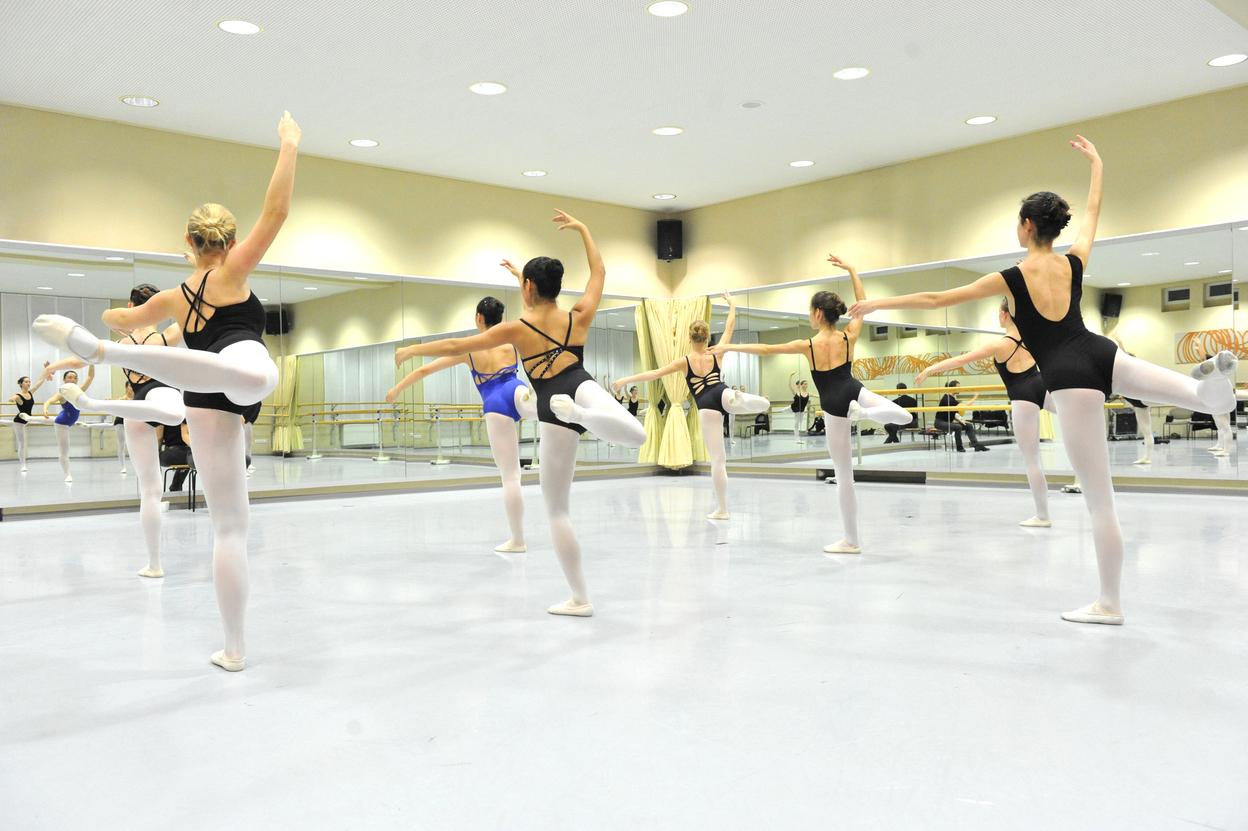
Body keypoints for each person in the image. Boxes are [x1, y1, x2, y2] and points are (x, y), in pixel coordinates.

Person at [849, 135, 1237, 625]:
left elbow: (936, 300)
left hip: (1070, 378)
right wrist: (1097, 165)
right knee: (1195, 396)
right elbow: (1092, 215)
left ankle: (1109, 604)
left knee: (1101, 502)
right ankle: (1210, 386)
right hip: (1102, 352)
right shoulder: (1073, 262)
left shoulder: (1011, 277)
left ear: (1028, 226)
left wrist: (877, 303)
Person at [33, 110, 301, 668]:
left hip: (203, 400)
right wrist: (289, 144)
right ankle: (109, 356)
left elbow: (118, 317)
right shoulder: (233, 273)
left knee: (229, 530)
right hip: (235, 372)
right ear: (230, 242)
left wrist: (135, 314)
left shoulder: (175, 297)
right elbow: (276, 212)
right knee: (257, 373)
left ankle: (234, 649)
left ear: (189, 242)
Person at [393, 210, 646, 617]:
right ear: (556, 286)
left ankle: (580, 599)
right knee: (638, 435)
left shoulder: (515, 329)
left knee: (558, 511)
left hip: (550, 404)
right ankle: (583, 416)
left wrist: (412, 349)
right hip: (580, 384)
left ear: (528, 287)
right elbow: (599, 271)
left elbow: (457, 346)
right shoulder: (579, 316)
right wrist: (583, 229)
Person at [715, 255, 911, 553]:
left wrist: (728, 345)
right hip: (854, 392)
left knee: (845, 478)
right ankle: (864, 413)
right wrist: (853, 271)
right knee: (904, 416)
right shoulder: (849, 336)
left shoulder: (807, 345)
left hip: (833, 406)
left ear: (818, 313)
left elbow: (766, 349)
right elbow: (862, 304)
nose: (809, 315)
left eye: (810, 311)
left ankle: (851, 541)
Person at [44, 283, 187, 577]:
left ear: (130, 307)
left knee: (150, 491)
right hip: (159, 393)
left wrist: (53, 367)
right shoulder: (166, 336)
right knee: (175, 414)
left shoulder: (121, 344)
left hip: (135, 407)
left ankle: (155, 565)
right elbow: (195, 314)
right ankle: (94, 404)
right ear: (157, 308)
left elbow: (81, 358)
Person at [392, 296, 538, 553]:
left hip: (496, 405)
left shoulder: (470, 350)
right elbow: (532, 315)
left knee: (511, 477)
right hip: (516, 390)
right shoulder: (511, 343)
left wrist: (397, 389)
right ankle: (573, 411)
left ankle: (518, 541)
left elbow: (425, 370)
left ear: (478, 318)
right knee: (547, 409)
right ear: (501, 319)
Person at [613, 292, 770, 520]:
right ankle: (747, 400)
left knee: (718, 460)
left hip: (706, 403)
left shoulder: (684, 361)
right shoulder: (716, 353)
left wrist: (625, 380)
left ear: (690, 338)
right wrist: (732, 305)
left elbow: (654, 374)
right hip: (721, 391)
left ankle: (723, 509)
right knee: (733, 399)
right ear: (707, 338)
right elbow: (729, 326)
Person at [917, 302, 1054, 526]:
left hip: (1023, 396)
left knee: (1032, 461)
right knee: (1082, 423)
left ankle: (1043, 516)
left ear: (1004, 314)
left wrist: (930, 368)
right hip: (1043, 386)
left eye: (999, 313)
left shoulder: (1000, 345)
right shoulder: (1032, 336)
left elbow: (961, 360)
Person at [41, 366, 95, 482]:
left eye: (75, 378)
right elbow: (49, 401)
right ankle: (67, 475)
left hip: (68, 419)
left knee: (53, 419)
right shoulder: (62, 394)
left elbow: (90, 377)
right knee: (64, 452)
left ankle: (30, 418)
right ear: (64, 380)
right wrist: (45, 408)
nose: (72, 380)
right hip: (62, 423)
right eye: (69, 377)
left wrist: (91, 363)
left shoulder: (79, 390)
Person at [8, 371, 50, 473]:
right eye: (26, 382)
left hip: (27, 419)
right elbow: (12, 398)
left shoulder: (30, 392)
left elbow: (39, 383)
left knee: (40, 420)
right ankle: (23, 465)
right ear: (21, 384)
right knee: (22, 443)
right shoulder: (18, 395)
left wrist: (46, 372)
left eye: (29, 381)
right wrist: (12, 400)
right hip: (19, 421)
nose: (29, 383)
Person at [934, 380, 989, 453]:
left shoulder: (952, 398)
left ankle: (976, 445)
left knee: (968, 425)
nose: (960, 389)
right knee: (958, 427)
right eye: (958, 387)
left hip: (947, 422)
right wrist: (975, 397)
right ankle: (959, 447)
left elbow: (954, 413)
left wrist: (962, 421)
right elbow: (964, 406)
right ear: (953, 388)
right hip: (940, 423)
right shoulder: (947, 399)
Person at [159, 421, 193, 492]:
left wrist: (156, 455)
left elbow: (159, 438)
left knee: (186, 458)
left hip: (169, 454)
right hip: (185, 452)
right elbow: (185, 436)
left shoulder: (162, 417)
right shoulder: (184, 416)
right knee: (190, 457)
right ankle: (175, 486)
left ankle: (175, 486)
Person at [789, 376, 810, 444]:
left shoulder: (807, 393)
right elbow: (790, 386)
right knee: (796, 425)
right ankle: (797, 439)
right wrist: (790, 376)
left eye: (807, 384)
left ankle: (798, 439)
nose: (806, 385)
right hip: (794, 408)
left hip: (801, 411)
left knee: (799, 423)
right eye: (805, 384)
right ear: (801, 385)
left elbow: (816, 395)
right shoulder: (797, 392)